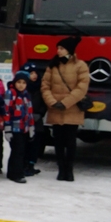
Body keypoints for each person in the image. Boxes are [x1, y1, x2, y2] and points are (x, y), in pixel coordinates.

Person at [41, 36, 90, 181]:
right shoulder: (52, 65)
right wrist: (52, 102)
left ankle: (69, 169)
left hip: (72, 109)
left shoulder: (81, 66)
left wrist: (66, 102)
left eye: (61, 48)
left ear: (69, 50)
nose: (58, 51)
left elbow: (82, 87)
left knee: (70, 141)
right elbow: (45, 86)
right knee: (58, 141)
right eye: (58, 48)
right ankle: (61, 169)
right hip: (56, 109)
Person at [4, 71, 35, 184]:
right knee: (17, 151)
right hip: (14, 128)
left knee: (21, 151)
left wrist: (31, 127)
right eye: (19, 82)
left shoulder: (26, 95)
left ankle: (15, 171)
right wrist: (7, 128)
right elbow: (6, 111)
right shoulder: (11, 93)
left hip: (24, 128)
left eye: (23, 83)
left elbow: (29, 112)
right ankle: (15, 173)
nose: (21, 85)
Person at [21, 62, 46, 177]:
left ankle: (31, 164)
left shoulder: (41, 87)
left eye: (36, 73)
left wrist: (40, 113)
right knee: (25, 143)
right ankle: (23, 164)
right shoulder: (23, 88)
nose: (34, 75)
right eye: (31, 73)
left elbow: (44, 102)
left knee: (36, 144)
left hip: (37, 120)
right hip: (24, 121)